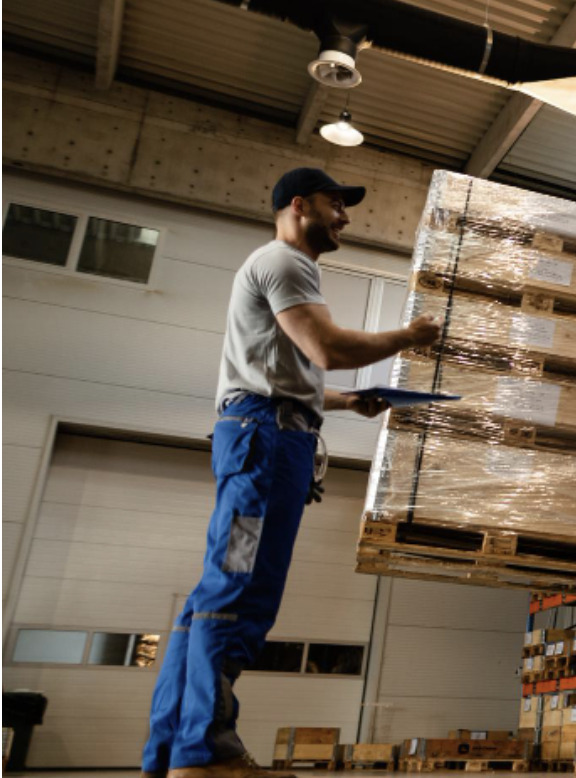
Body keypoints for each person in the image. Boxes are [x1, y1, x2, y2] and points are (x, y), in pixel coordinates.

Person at [142, 168, 444, 778]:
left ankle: (172, 752)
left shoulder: (272, 268)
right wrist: (408, 336)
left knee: (214, 595)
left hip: (261, 437)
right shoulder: (286, 262)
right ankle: (206, 750)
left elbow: (282, 373)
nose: (345, 217)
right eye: (337, 204)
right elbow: (328, 348)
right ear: (300, 205)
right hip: (265, 448)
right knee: (240, 588)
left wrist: (347, 401)